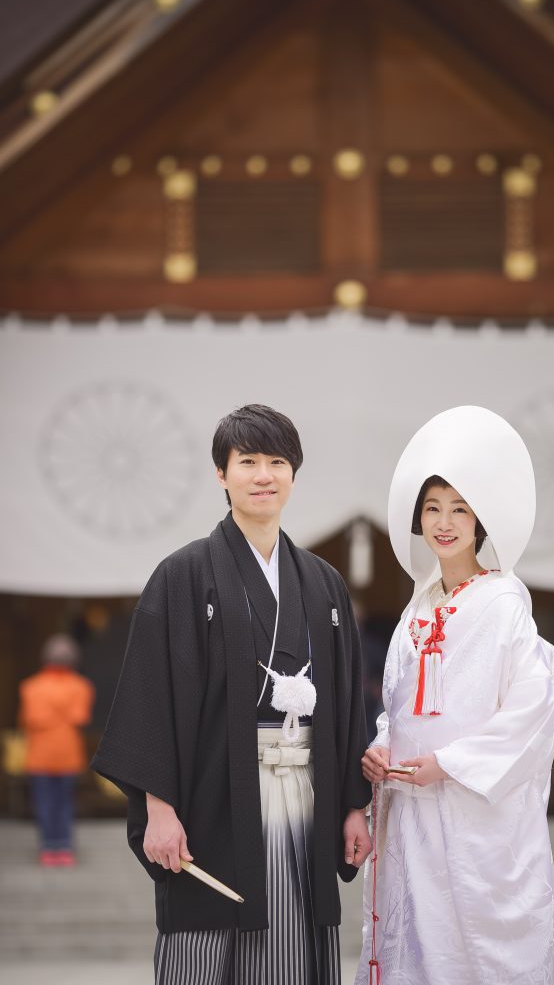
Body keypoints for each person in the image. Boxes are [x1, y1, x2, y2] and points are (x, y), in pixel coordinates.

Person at [92, 403, 372, 985]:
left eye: (277, 462)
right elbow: (150, 698)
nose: (263, 475)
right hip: (214, 798)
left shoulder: (323, 584)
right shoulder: (182, 576)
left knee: (297, 938)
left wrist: (352, 805)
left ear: (294, 474)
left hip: (308, 795)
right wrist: (157, 810)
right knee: (205, 942)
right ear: (222, 474)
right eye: (247, 462)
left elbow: (347, 702)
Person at [356, 406, 554, 985]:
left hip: (475, 816)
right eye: (432, 509)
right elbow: (397, 706)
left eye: (459, 509)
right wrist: (381, 748)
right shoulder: (414, 612)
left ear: (480, 521)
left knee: (476, 947)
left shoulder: (503, 603)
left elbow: (534, 712)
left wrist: (449, 765)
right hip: (413, 812)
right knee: (418, 947)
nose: (444, 522)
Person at [18, 633, 95, 866]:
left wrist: (49, 716)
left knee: (44, 802)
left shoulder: (30, 687)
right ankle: (64, 847)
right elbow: (80, 717)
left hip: (39, 756)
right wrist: (62, 715)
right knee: (65, 802)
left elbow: (28, 719)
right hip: (68, 755)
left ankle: (48, 847)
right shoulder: (82, 686)